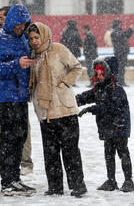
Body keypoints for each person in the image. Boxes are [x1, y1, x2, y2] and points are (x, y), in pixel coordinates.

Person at [27, 22, 87, 198]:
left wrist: (65, 82)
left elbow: (77, 67)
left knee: (70, 151)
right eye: (31, 39)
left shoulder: (58, 49)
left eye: (37, 37)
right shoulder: (33, 56)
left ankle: (78, 185)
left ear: (44, 35)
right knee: (50, 152)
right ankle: (55, 187)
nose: (34, 41)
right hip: (45, 112)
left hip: (65, 109)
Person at [0, 4, 37, 196]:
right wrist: (17, 64)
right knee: (8, 140)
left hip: (21, 97)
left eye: (24, 24)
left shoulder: (22, 39)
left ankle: (15, 179)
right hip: (6, 98)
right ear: (12, 21)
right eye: (19, 24)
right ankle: (7, 182)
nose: (21, 27)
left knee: (20, 137)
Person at [76, 57, 134, 193]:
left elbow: (110, 108)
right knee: (108, 153)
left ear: (108, 72)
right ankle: (111, 180)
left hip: (119, 125)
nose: (99, 75)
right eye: (97, 72)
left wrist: (92, 109)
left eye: (101, 72)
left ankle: (128, 181)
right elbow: (86, 96)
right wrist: (73, 101)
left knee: (122, 152)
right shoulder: (99, 88)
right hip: (107, 127)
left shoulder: (116, 89)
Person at [110, 19, 134, 87]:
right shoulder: (115, 32)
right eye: (120, 24)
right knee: (120, 68)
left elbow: (126, 35)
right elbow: (123, 35)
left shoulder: (118, 31)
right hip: (120, 53)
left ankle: (121, 81)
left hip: (122, 53)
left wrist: (131, 30)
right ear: (117, 24)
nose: (121, 25)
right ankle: (119, 82)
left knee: (122, 68)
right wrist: (130, 29)